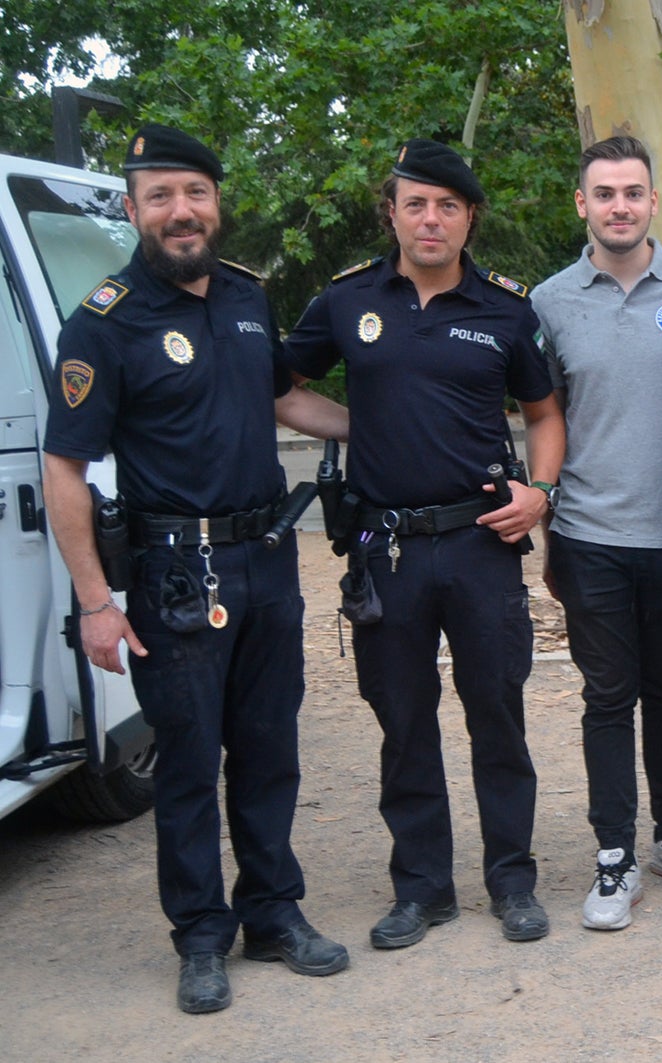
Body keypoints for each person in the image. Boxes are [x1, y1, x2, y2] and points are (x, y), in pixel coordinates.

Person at [42, 124, 352, 1014]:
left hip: (267, 559)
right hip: (176, 575)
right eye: (161, 196)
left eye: (196, 194)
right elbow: (65, 465)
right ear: (134, 210)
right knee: (187, 764)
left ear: (217, 203)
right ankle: (201, 936)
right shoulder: (104, 321)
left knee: (269, 750)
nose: (182, 212)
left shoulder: (249, 298)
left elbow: (285, 394)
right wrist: (96, 602)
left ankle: (273, 912)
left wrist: (388, 432)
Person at [282, 139, 565, 948]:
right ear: (394, 213)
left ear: (469, 216)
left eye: (447, 204)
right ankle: (422, 887)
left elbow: (545, 415)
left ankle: (512, 880)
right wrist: (357, 427)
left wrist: (538, 494)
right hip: (387, 549)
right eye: (416, 203)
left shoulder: (506, 309)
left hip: (480, 542)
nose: (431, 218)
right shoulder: (344, 302)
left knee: (497, 716)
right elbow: (281, 387)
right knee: (403, 722)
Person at [530, 135, 662, 931]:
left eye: (633, 193)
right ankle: (613, 852)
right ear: (583, 204)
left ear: (653, 202)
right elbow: (540, 417)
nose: (619, 206)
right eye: (603, 193)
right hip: (589, 534)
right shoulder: (545, 301)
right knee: (607, 694)